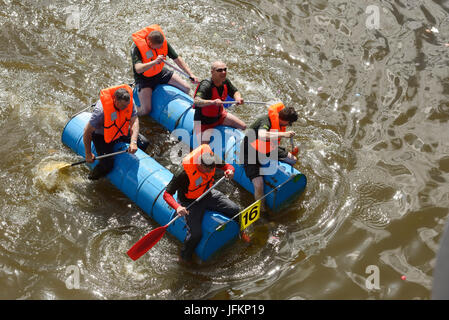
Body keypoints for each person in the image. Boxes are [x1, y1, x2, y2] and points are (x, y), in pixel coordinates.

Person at [163, 144, 250, 264]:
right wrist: (177, 207)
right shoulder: (183, 174)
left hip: (208, 193)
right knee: (196, 235)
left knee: (235, 209)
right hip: (190, 203)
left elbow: (228, 166)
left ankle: (242, 232)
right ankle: (183, 258)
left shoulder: (211, 158)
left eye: (213, 168)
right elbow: (167, 194)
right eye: (208, 169)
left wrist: (230, 171)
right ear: (200, 164)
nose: (211, 170)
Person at [240, 103, 298, 211]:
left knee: (292, 159)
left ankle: (288, 181)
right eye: (290, 123)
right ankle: (262, 212)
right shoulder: (265, 120)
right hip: (251, 151)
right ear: (286, 120)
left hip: (267, 149)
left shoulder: (281, 123)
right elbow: (262, 135)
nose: (289, 126)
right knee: (259, 185)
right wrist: (283, 134)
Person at [83, 84, 149, 180]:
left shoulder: (129, 103)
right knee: (107, 165)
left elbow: (134, 121)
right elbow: (87, 132)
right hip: (102, 136)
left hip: (120, 131)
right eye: (123, 105)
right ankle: (91, 178)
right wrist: (88, 154)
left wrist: (133, 142)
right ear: (115, 100)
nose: (125, 107)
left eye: (126, 105)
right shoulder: (101, 111)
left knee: (144, 143)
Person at [131, 24, 199, 116]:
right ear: (150, 43)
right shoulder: (137, 48)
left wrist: (191, 74)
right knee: (145, 110)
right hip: (144, 79)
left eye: (160, 46)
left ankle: (184, 111)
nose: (160, 48)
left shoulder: (163, 44)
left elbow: (177, 59)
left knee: (186, 88)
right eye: (157, 47)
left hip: (159, 73)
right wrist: (154, 62)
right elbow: (138, 69)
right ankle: (130, 111)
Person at [193, 61, 247, 145]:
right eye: (220, 70)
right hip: (204, 122)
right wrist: (212, 102)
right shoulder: (206, 85)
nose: (224, 72)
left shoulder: (225, 81)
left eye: (225, 69)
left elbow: (235, 91)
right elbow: (196, 101)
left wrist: (238, 98)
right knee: (203, 149)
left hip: (220, 116)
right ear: (212, 72)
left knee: (243, 126)